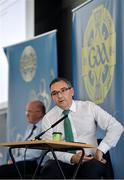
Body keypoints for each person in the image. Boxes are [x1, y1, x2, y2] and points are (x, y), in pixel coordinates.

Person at [39, 77, 124, 179]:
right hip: (64, 161)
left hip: (89, 159)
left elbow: (116, 127)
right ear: (52, 97)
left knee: (91, 169)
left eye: (63, 90)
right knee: (50, 167)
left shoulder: (88, 107)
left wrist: (101, 150)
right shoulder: (48, 118)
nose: (60, 96)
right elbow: (51, 149)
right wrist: (72, 158)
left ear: (72, 91)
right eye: (55, 93)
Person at [0, 100, 47, 179]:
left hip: (35, 164)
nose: (27, 114)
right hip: (25, 162)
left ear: (39, 113)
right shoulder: (30, 127)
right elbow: (22, 149)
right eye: (26, 112)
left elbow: (35, 153)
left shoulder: (44, 127)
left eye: (29, 111)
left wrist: (16, 161)